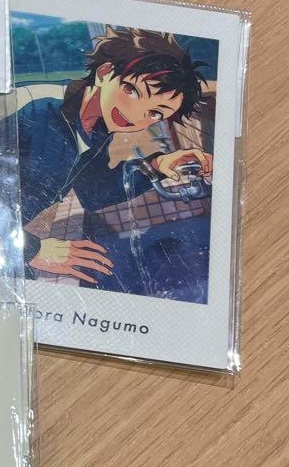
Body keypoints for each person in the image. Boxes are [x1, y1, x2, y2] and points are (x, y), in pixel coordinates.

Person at [14, 26, 213, 296]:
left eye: (155, 113)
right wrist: (31, 248)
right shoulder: (32, 106)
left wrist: (157, 166)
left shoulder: (96, 127)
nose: (136, 115)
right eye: (132, 91)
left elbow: (94, 192)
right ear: (104, 73)